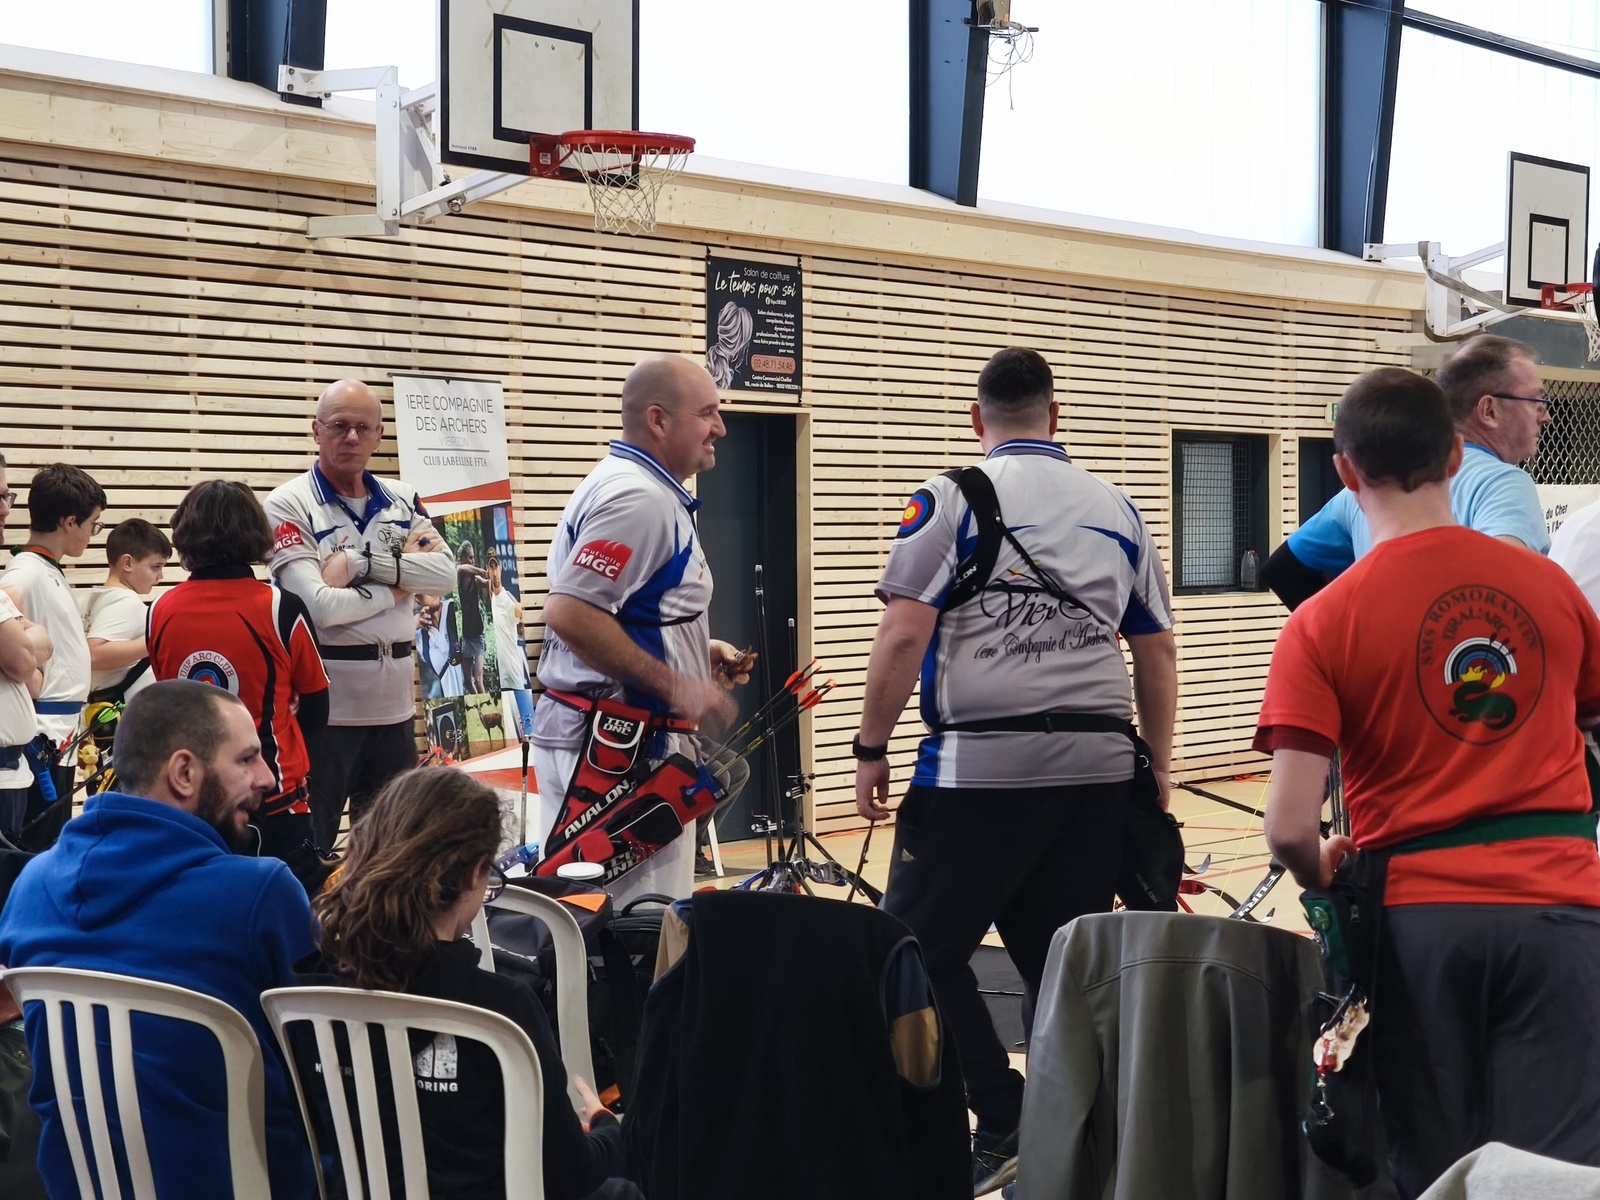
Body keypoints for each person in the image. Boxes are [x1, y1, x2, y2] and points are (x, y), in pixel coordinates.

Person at [1258, 367, 1600, 1199]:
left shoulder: (1322, 621)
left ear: (1345, 472)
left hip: (1419, 925)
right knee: (1559, 1172)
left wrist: (1319, 868)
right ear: (1455, 455)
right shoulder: (1551, 587)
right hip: (1560, 913)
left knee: (1435, 1167)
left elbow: (1288, 828)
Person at [850, 346, 1177, 1196]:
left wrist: (871, 747)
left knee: (908, 949)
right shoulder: (1117, 506)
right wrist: (1157, 765)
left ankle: (1003, 1117)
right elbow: (1156, 650)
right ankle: (1085, 1139)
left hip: (979, 774)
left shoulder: (951, 497)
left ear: (977, 419)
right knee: (1061, 963)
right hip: (1097, 774)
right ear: (1056, 417)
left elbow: (903, 633)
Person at [0, 680, 316, 1198]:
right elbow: (325, 1070)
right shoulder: (260, 893)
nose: (268, 777)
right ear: (184, 773)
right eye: (247, 759)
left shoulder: (31, 888)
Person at [297, 767, 639, 1199]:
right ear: (472, 875)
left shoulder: (310, 989)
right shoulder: (500, 1007)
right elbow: (567, 1177)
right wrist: (607, 1129)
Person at [532, 354, 748, 908]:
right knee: (636, 929)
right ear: (658, 420)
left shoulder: (632, 487)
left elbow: (622, 610)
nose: (721, 427)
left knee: (600, 922)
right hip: (620, 754)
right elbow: (570, 612)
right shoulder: (640, 499)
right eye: (708, 413)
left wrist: (696, 651)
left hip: (609, 742)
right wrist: (681, 686)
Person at [265, 379, 456, 855]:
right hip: (325, 712)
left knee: (391, 855)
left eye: (362, 428)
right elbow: (319, 608)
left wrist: (358, 564)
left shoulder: (403, 498)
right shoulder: (289, 503)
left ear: (379, 435)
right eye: (339, 426)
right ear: (316, 431)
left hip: (396, 709)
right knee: (313, 849)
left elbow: (446, 576)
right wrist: (400, 584)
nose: (351, 437)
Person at [1263, 334, 1551, 609]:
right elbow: (1508, 593)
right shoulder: (1503, 484)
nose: (1546, 416)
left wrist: (1350, 627)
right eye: (1536, 402)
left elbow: (1283, 569)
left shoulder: (1371, 485)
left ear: (1347, 472)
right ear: (1489, 411)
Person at [148, 481, 332, 895]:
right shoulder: (280, 606)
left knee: (206, 916)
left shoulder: (160, 609)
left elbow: (169, 702)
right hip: (276, 801)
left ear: (185, 534)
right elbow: (318, 710)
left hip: (193, 802)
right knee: (292, 924)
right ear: (255, 531)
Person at [2, 464, 107, 841]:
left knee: (50, 844)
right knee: (36, 848)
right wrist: (30, 673)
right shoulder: (25, 572)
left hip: (61, 732)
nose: (93, 534)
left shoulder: (47, 569)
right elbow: (7, 608)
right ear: (69, 521)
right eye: (93, 524)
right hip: (42, 736)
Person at [0, 455, 50, 844]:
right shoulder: (22, 576)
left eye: (6, 496)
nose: (5, 508)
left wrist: (24, 644)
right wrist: (25, 643)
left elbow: (33, 667)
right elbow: (21, 661)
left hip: (13, 772)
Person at [78, 517, 170, 704]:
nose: (160, 576)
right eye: (155, 567)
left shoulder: (86, 600)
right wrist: (159, 642)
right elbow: (95, 654)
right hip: (124, 712)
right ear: (127, 563)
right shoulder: (126, 601)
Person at [487, 553, 535, 739]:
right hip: (498, 673)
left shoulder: (508, 599)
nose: (494, 573)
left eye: (496, 568)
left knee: (525, 725)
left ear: (500, 570)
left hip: (512, 671)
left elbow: (518, 611)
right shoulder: (490, 598)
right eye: (490, 568)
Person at [456, 541, 491, 695]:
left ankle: (487, 705)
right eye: (470, 557)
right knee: (468, 681)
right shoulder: (460, 574)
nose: (472, 560)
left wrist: (493, 576)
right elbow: (461, 568)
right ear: (463, 557)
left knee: (478, 679)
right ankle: (477, 705)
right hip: (466, 635)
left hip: (478, 634)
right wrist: (480, 570)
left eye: (473, 558)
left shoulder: (476, 580)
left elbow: (488, 584)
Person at [416, 592, 465, 700]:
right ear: (417, 599)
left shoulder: (454, 607)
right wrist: (412, 624)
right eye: (426, 588)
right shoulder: (420, 638)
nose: (434, 590)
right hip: (454, 701)